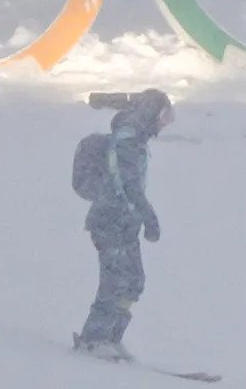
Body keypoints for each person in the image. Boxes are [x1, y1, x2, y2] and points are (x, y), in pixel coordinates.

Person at [73, 88, 174, 361]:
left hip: (125, 223)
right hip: (109, 221)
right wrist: (149, 217)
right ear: (151, 112)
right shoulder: (127, 139)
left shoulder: (136, 139)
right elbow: (129, 185)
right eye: (164, 116)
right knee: (115, 280)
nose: (165, 123)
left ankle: (111, 337)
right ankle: (93, 339)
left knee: (133, 281)